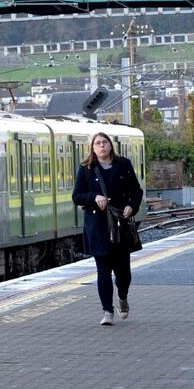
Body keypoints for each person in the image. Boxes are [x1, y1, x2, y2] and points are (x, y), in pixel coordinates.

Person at [72, 132, 144, 326]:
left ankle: (122, 297)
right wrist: (94, 198)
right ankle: (107, 311)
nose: (102, 145)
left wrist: (131, 206)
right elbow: (77, 195)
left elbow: (137, 191)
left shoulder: (124, 165)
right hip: (98, 226)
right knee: (103, 271)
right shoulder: (86, 168)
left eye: (104, 142)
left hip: (120, 224)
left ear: (111, 146)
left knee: (123, 272)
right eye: (97, 143)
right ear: (93, 148)